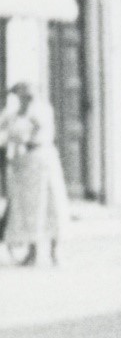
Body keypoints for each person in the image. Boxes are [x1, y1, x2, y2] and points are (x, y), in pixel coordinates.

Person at [2, 82, 68, 266]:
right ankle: (33, 251)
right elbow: (6, 132)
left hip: (43, 157)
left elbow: (34, 130)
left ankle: (55, 251)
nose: (24, 100)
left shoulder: (42, 111)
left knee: (51, 203)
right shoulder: (12, 114)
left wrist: (16, 132)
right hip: (24, 162)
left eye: (28, 96)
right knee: (30, 207)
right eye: (21, 97)